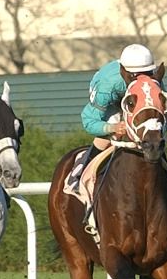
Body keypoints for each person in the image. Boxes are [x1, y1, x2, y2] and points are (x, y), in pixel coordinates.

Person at [65, 43, 160, 190]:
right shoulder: (108, 85)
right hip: (113, 99)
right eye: (136, 76)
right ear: (124, 72)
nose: (143, 80)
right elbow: (89, 121)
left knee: (154, 133)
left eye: (147, 73)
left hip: (127, 93)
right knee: (111, 132)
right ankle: (80, 174)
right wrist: (112, 127)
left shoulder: (152, 81)